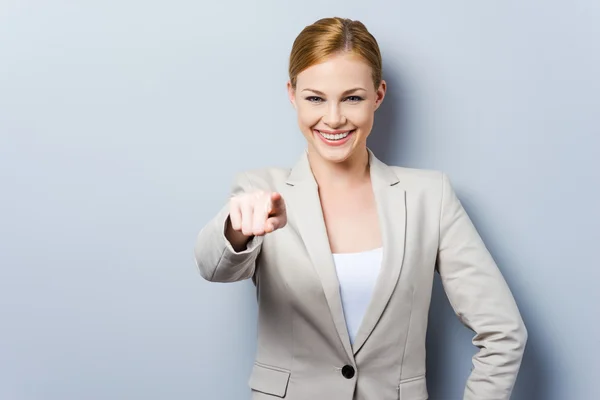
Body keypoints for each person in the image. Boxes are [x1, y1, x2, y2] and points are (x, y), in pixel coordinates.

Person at [194, 17, 527, 400]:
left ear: (378, 95)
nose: (333, 118)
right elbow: (212, 266)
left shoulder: (429, 196)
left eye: (352, 97)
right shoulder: (259, 190)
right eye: (315, 98)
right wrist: (238, 226)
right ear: (292, 94)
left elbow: (504, 332)